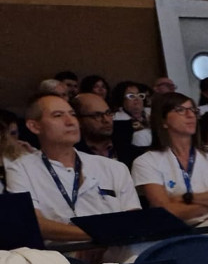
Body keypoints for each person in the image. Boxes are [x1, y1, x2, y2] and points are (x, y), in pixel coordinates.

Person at [5, 94, 139, 244]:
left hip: (118, 248)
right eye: (58, 115)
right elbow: (34, 223)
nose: (70, 122)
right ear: (34, 126)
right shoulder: (21, 169)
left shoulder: (114, 167)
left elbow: (133, 220)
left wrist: (105, 240)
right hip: (59, 252)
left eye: (73, 114)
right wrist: (99, 236)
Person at [133, 92, 208, 226]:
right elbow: (164, 211)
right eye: (180, 110)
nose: (190, 115)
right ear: (163, 121)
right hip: (176, 233)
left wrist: (185, 198)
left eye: (193, 110)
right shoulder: (146, 161)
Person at [73, 93, 117, 158]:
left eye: (108, 113)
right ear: (79, 120)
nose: (106, 120)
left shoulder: (125, 142)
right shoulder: (72, 151)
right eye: (97, 115)